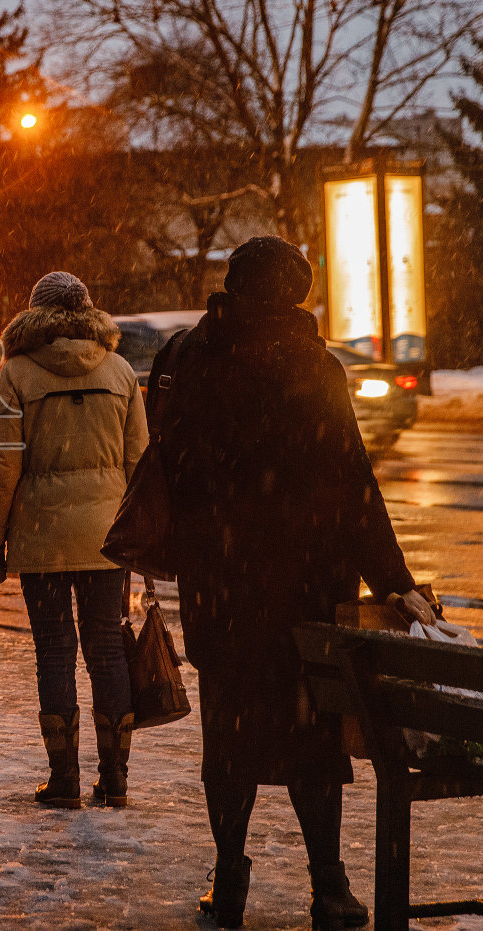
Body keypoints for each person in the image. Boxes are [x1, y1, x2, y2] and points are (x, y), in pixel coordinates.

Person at [155, 237, 416, 930]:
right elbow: (351, 483)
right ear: (295, 295)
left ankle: (229, 876)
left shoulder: (184, 357)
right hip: (305, 585)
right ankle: (329, 883)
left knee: (229, 737)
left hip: (221, 583)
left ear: (233, 286)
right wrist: (395, 581)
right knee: (312, 738)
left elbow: (168, 466)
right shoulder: (315, 366)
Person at [0, 271, 150, 808]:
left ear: (36, 314)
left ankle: (64, 779)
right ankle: (116, 777)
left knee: (54, 651)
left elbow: (1, 465)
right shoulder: (119, 370)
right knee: (107, 651)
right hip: (105, 539)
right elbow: (139, 462)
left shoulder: (18, 375)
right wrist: (138, 535)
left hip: (40, 537)